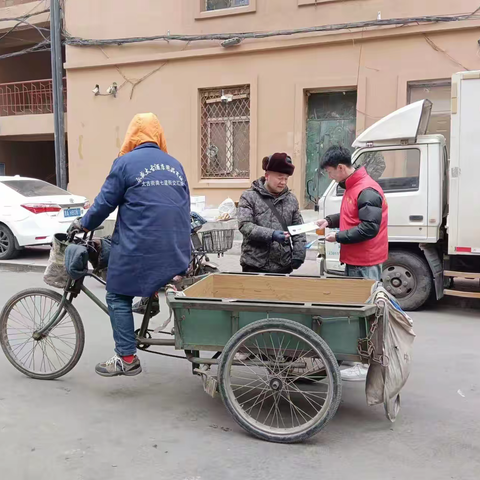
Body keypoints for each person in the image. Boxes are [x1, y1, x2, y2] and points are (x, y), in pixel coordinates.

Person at [69, 113, 191, 377]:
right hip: (178, 248)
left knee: (116, 293)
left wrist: (83, 224)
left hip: (144, 247)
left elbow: (104, 203)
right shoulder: (175, 164)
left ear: (132, 136)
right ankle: (150, 299)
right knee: (142, 264)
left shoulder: (125, 163)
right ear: (158, 135)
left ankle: (126, 358)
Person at [316, 145, 388, 382]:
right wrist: (329, 221)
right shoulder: (353, 186)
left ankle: (367, 363)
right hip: (354, 259)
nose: (330, 176)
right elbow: (350, 217)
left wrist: (337, 236)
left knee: (367, 313)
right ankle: (355, 354)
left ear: (340, 167)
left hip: (365, 262)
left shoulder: (366, 190)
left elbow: (369, 228)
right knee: (356, 311)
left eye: (330, 172)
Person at [238, 153, 306, 274]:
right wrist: (272, 234)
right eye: (280, 177)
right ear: (267, 176)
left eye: (286, 178)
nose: (283, 182)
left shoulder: (291, 200)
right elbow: (245, 225)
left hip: (282, 265)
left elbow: (298, 229)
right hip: (254, 265)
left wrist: (299, 255)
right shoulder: (249, 197)